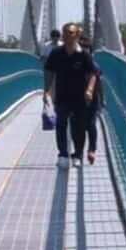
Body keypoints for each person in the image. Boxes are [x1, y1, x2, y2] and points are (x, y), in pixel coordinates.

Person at [42, 22, 102, 164]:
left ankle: (78, 155)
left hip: (80, 98)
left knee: (78, 127)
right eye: (66, 34)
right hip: (62, 96)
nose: (69, 37)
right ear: (63, 35)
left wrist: (89, 90)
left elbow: (93, 74)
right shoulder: (56, 53)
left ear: (77, 36)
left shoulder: (84, 56)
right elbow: (49, 72)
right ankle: (63, 154)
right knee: (61, 124)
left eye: (72, 34)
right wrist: (47, 91)